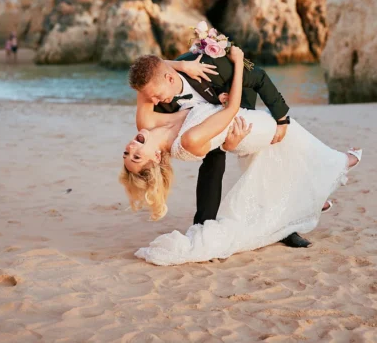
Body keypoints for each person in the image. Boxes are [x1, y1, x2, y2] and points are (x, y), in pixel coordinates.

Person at [121, 47, 362, 265]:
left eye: (126, 152)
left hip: (237, 112)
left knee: (267, 158)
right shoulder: (163, 107)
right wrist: (228, 144)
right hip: (230, 125)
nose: (153, 101)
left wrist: (281, 118)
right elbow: (154, 77)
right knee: (223, 164)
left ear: (171, 77)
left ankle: (299, 211)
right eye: (136, 156)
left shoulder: (199, 69)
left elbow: (151, 66)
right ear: (154, 158)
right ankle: (205, 226)